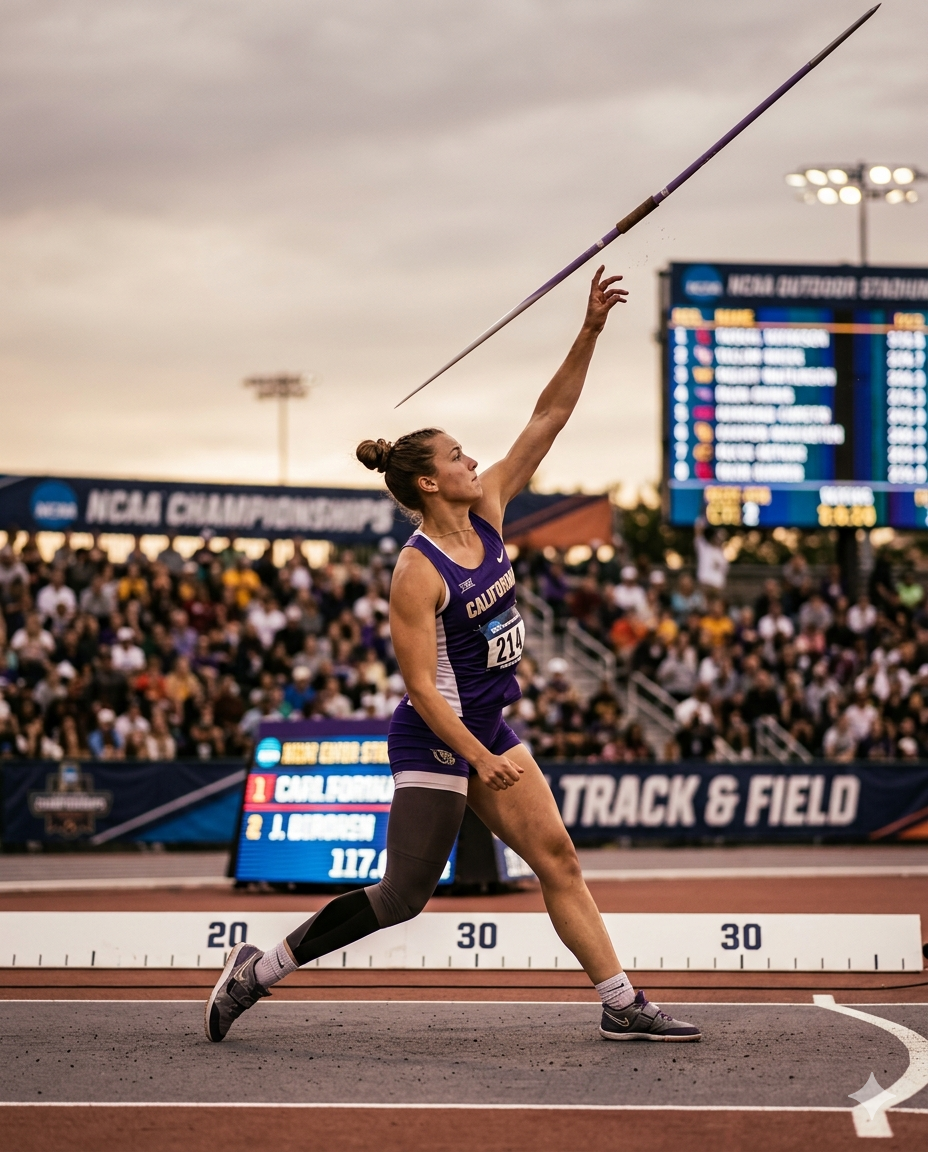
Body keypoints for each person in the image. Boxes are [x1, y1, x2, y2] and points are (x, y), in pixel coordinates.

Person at [205, 268, 700, 1044]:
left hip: (487, 730)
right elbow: (421, 693)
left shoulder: (492, 510)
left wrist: (592, 330)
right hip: (439, 735)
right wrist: (476, 755)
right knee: (404, 895)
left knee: (558, 857)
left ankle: (620, 1000)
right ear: (430, 481)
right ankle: (256, 972)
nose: (476, 462)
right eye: (460, 457)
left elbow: (550, 415)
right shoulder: (416, 570)